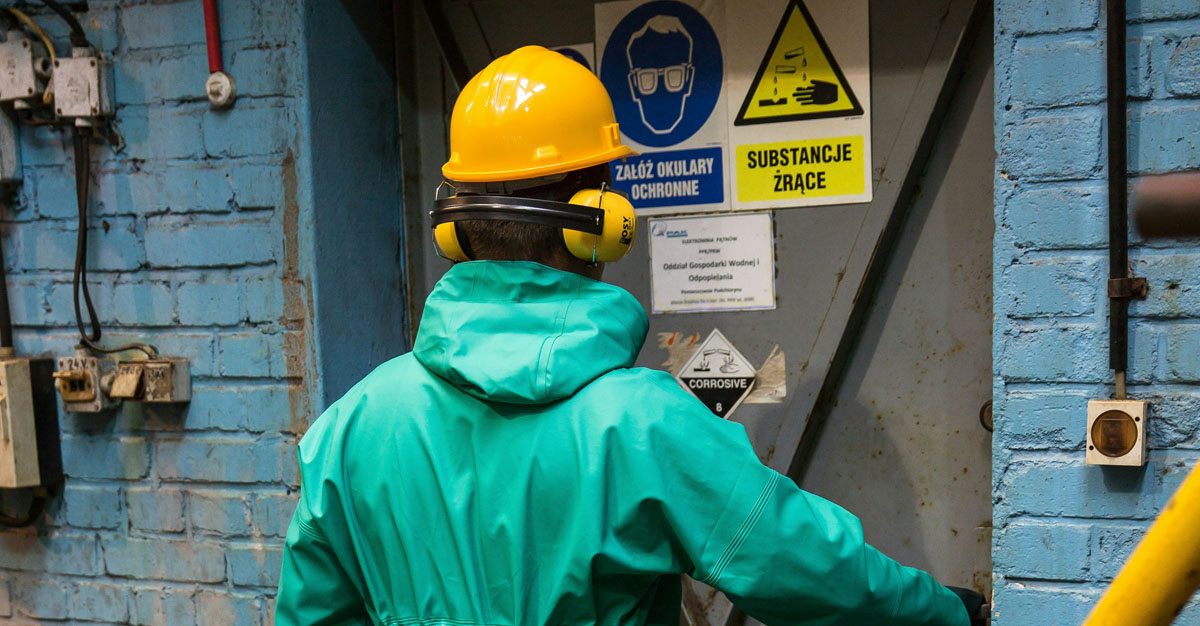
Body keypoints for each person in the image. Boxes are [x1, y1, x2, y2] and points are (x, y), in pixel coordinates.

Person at [275, 45, 983, 626]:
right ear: (603, 218)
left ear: (456, 225)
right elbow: (803, 567)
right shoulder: (642, 425)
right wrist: (942, 611)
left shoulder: (348, 431)